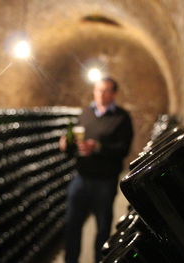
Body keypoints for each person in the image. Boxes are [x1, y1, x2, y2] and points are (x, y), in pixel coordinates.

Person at [59, 77, 133, 263]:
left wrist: (98, 147)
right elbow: (76, 144)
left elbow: (123, 149)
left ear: (114, 93)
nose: (100, 94)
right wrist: (66, 145)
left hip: (105, 181)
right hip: (81, 178)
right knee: (72, 226)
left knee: (102, 230)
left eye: (105, 90)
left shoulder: (122, 118)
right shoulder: (85, 113)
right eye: (98, 90)